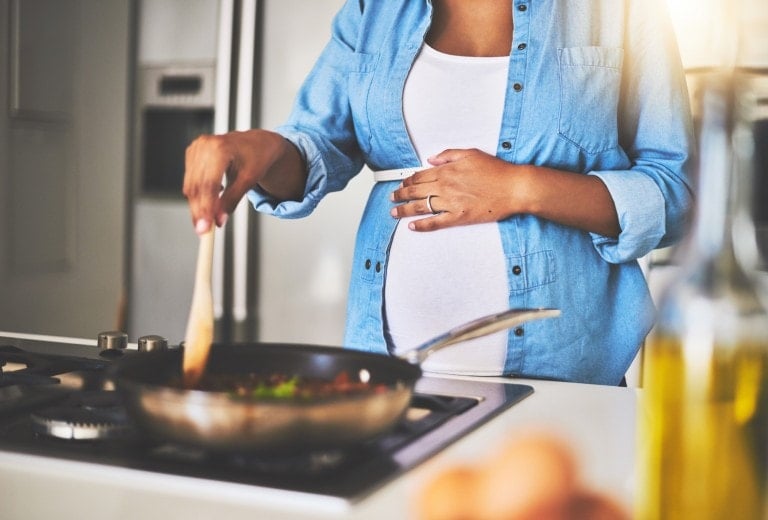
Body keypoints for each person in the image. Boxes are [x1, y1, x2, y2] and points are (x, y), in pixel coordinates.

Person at [183, 0, 693, 385]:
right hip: (392, 380)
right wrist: (262, 149)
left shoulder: (620, 10)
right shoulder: (374, 10)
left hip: (564, 382)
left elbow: (675, 192)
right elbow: (314, 148)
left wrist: (520, 187)